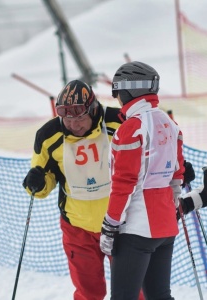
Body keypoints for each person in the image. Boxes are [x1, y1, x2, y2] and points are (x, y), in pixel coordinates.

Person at [23, 79, 145, 300]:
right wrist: (37, 183)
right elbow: (43, 181)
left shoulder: (120, 122)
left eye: (79, 118)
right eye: (67, 119)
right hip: (78, 228)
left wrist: (177, 166)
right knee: (89, 293)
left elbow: (151, 153)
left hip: (122, 224)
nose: (73, 125)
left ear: (93, 108)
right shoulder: (48, 136)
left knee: (134, 292)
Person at [100, 61, 185, 300]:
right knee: (160, 296)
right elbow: (177, 175)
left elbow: (124, 183)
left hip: (136, 230)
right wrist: (172, 209)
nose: (118, 100)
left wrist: (110, 224)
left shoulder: (131, 128)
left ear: (128, 91)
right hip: (165, 228)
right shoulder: (170, 124)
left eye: (118, 93)